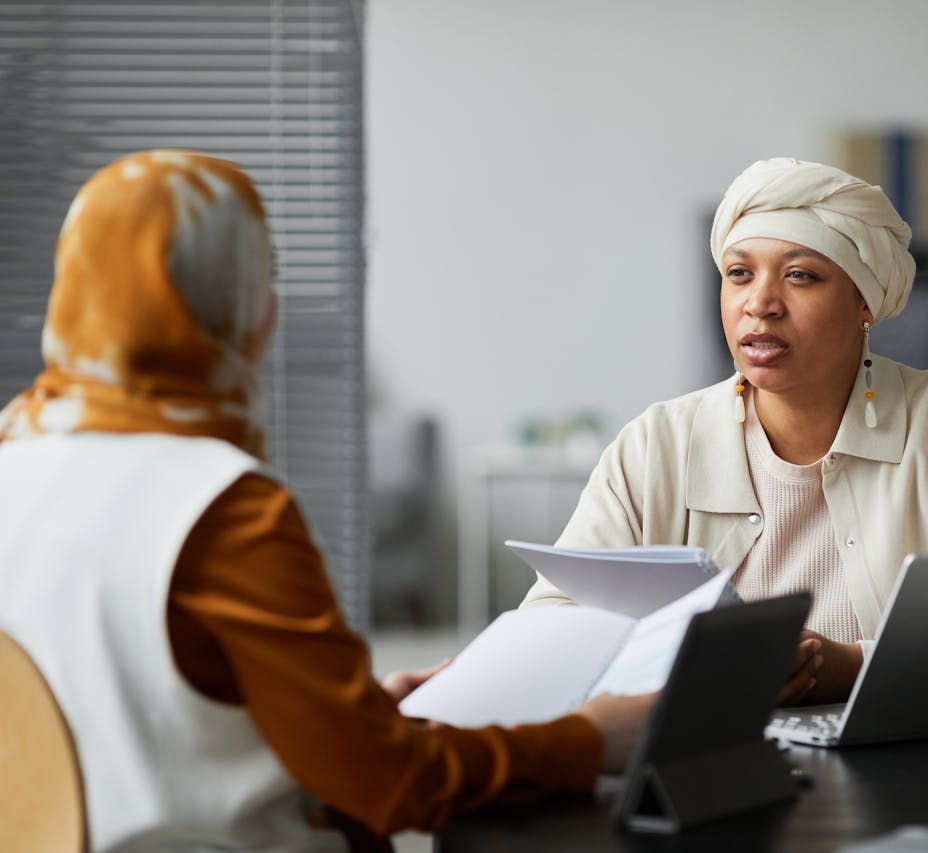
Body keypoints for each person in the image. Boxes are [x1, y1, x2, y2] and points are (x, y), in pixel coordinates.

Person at [0, 149, 653, 851]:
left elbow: (127, 709)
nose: (273, 310)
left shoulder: (15, 458)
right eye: (263, 278)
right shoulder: (223, 508)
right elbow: (392, 783)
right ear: (233, 304)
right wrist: (588, 738)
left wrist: (355, 709)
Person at [523, 156, 928, 706]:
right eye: (738, 274)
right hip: (709, 764)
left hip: (911, 778)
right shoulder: (657, 443)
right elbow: (546, 633)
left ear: (864, 302)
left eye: (801, 276)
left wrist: (855, 668)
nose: (761, 303)